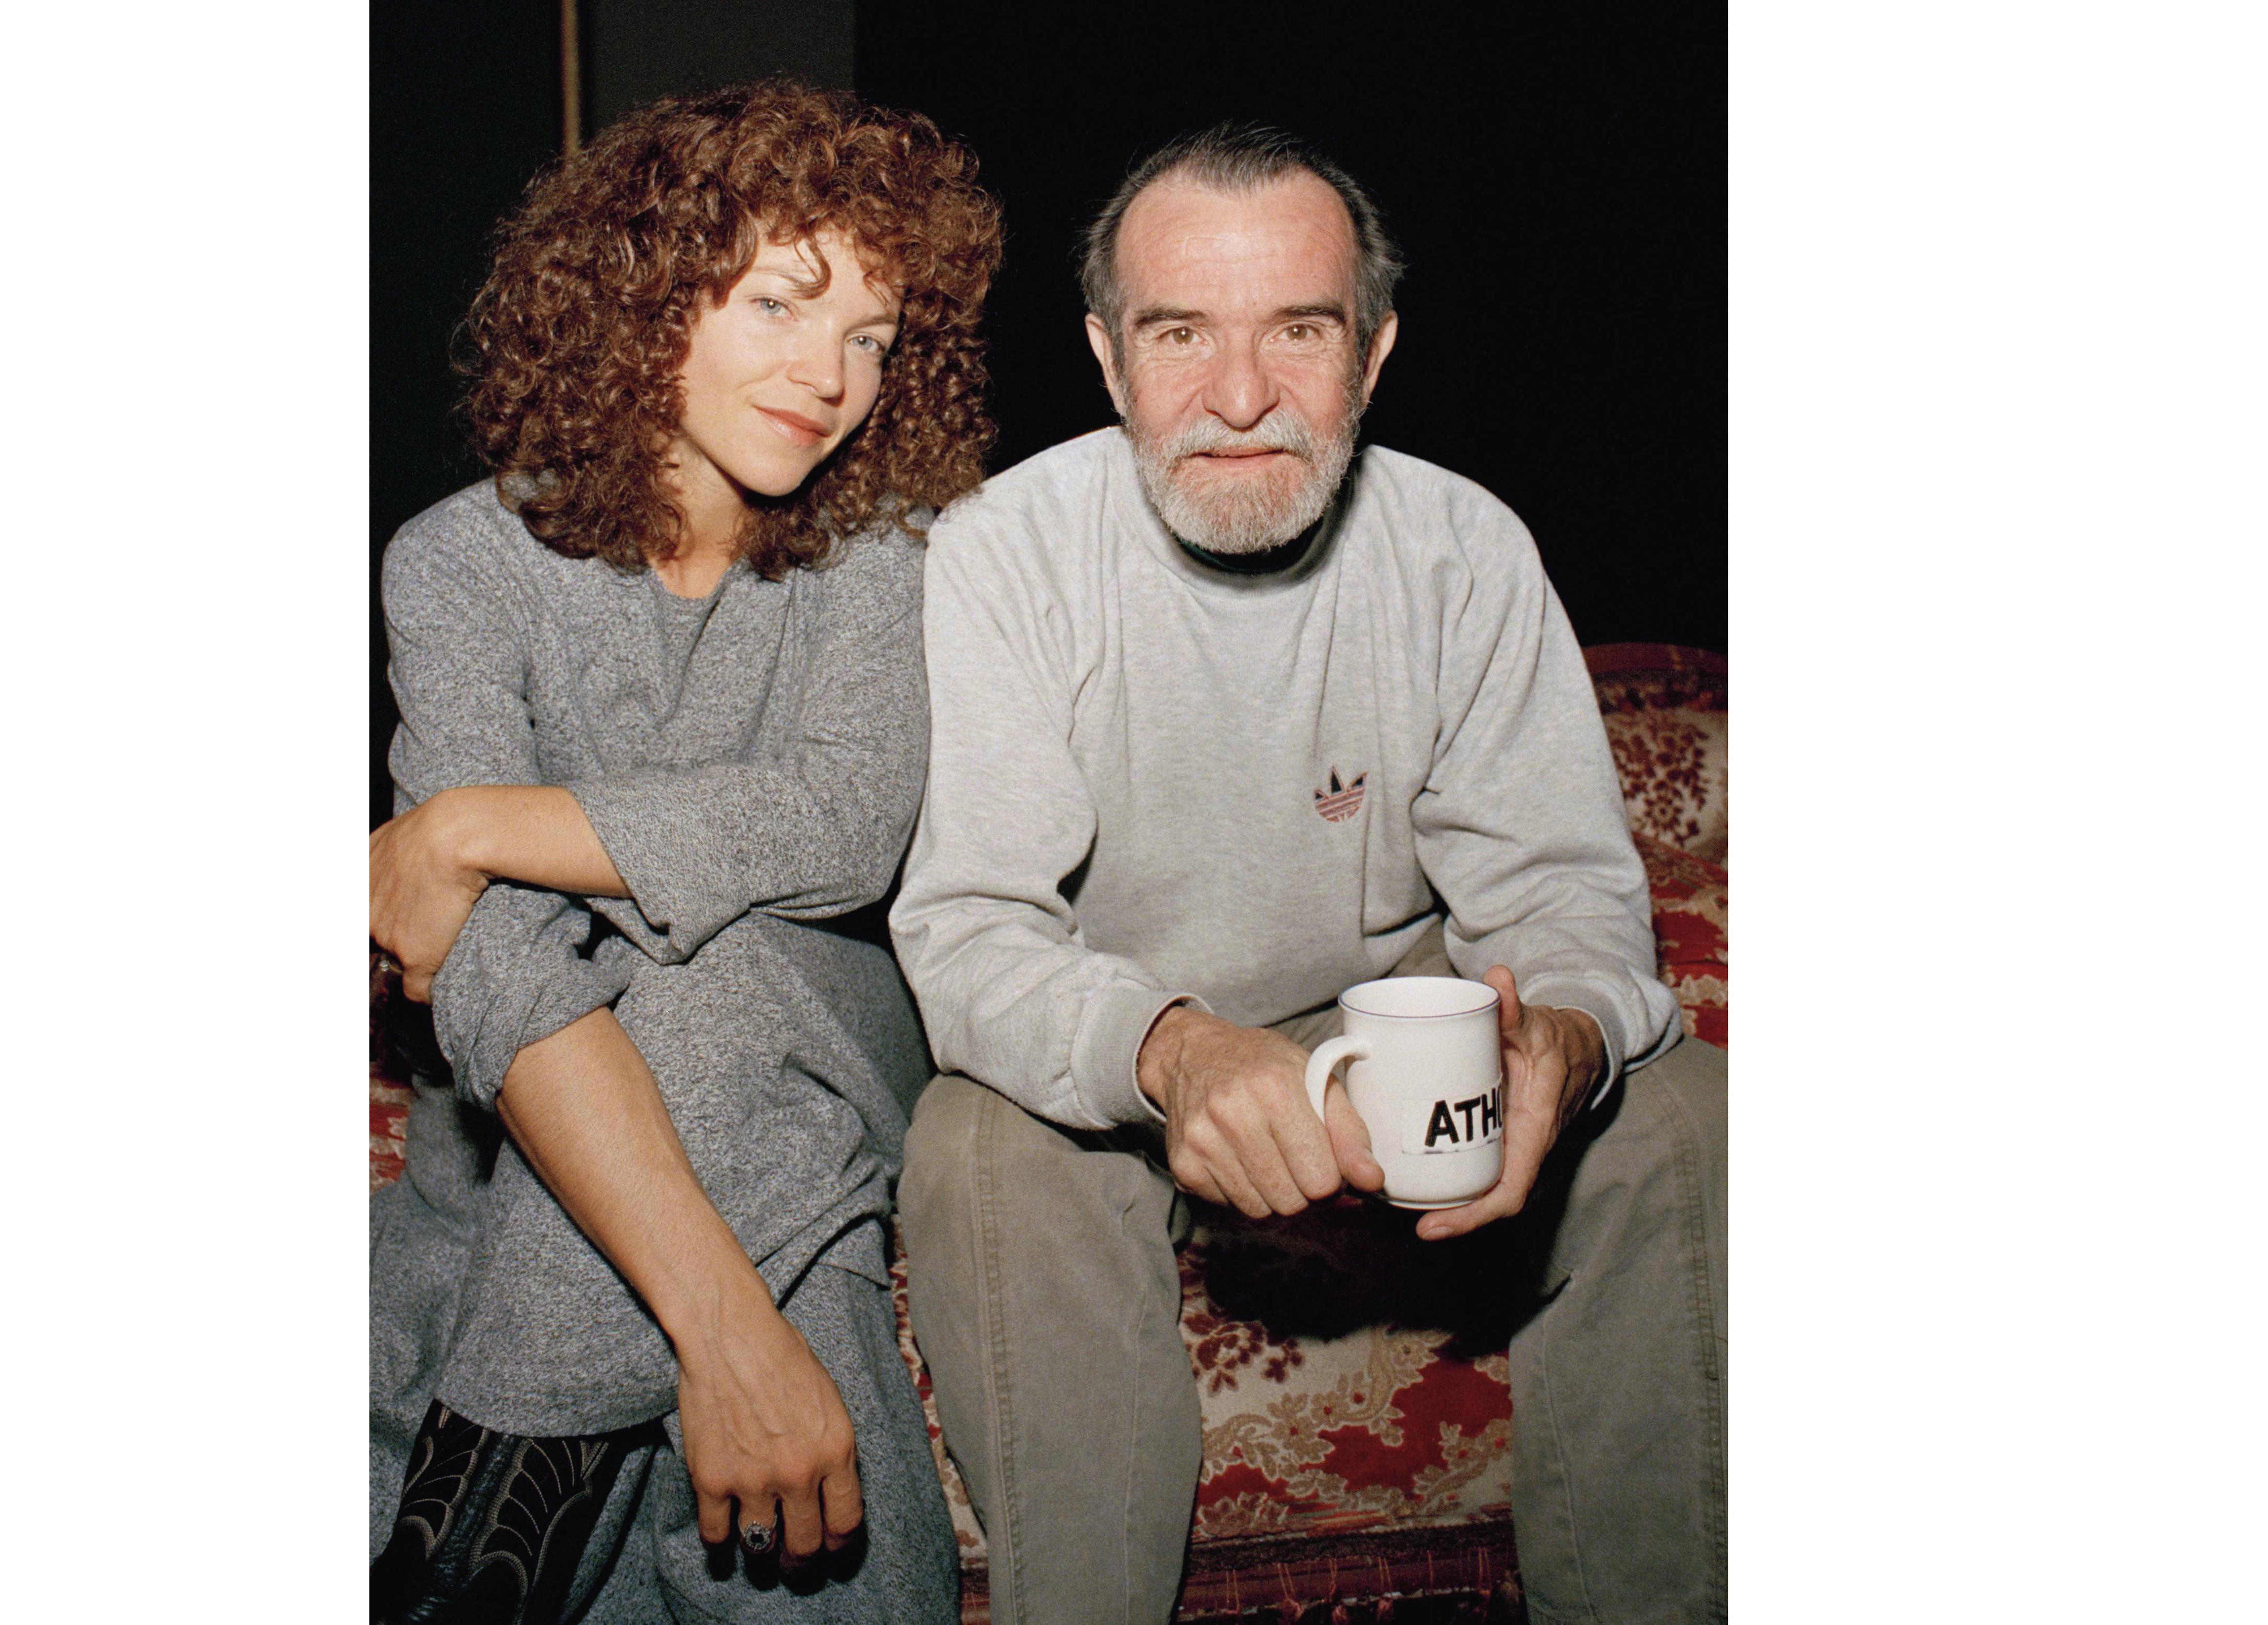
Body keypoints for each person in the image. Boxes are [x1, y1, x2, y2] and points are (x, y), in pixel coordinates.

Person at [889, 123, 1727, 1625]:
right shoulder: (1000, 553)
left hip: (1388, 1018)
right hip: (1122, 1038)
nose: (1240, 397)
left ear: (1377, 351)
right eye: (1179, 334)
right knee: (972, 1147)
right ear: (1105, 358)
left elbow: (1571, 907)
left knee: (1680, 1115)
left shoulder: (1466, 551)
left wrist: (1569, 1037)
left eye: (1299, 329)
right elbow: (971, 934)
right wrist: (1171, 1050)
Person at [368, 83, 1000, 1625]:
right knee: (692, 1031)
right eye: (785, 303)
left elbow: (846, 826)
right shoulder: (457, 565)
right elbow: (488, 966)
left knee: (717, 984)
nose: (833, 376)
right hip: (558, 1127)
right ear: (644, 292)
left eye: (873, 335)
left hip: (829, 1050)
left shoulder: (882, 545)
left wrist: (461, 827)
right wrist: (732, 1333)